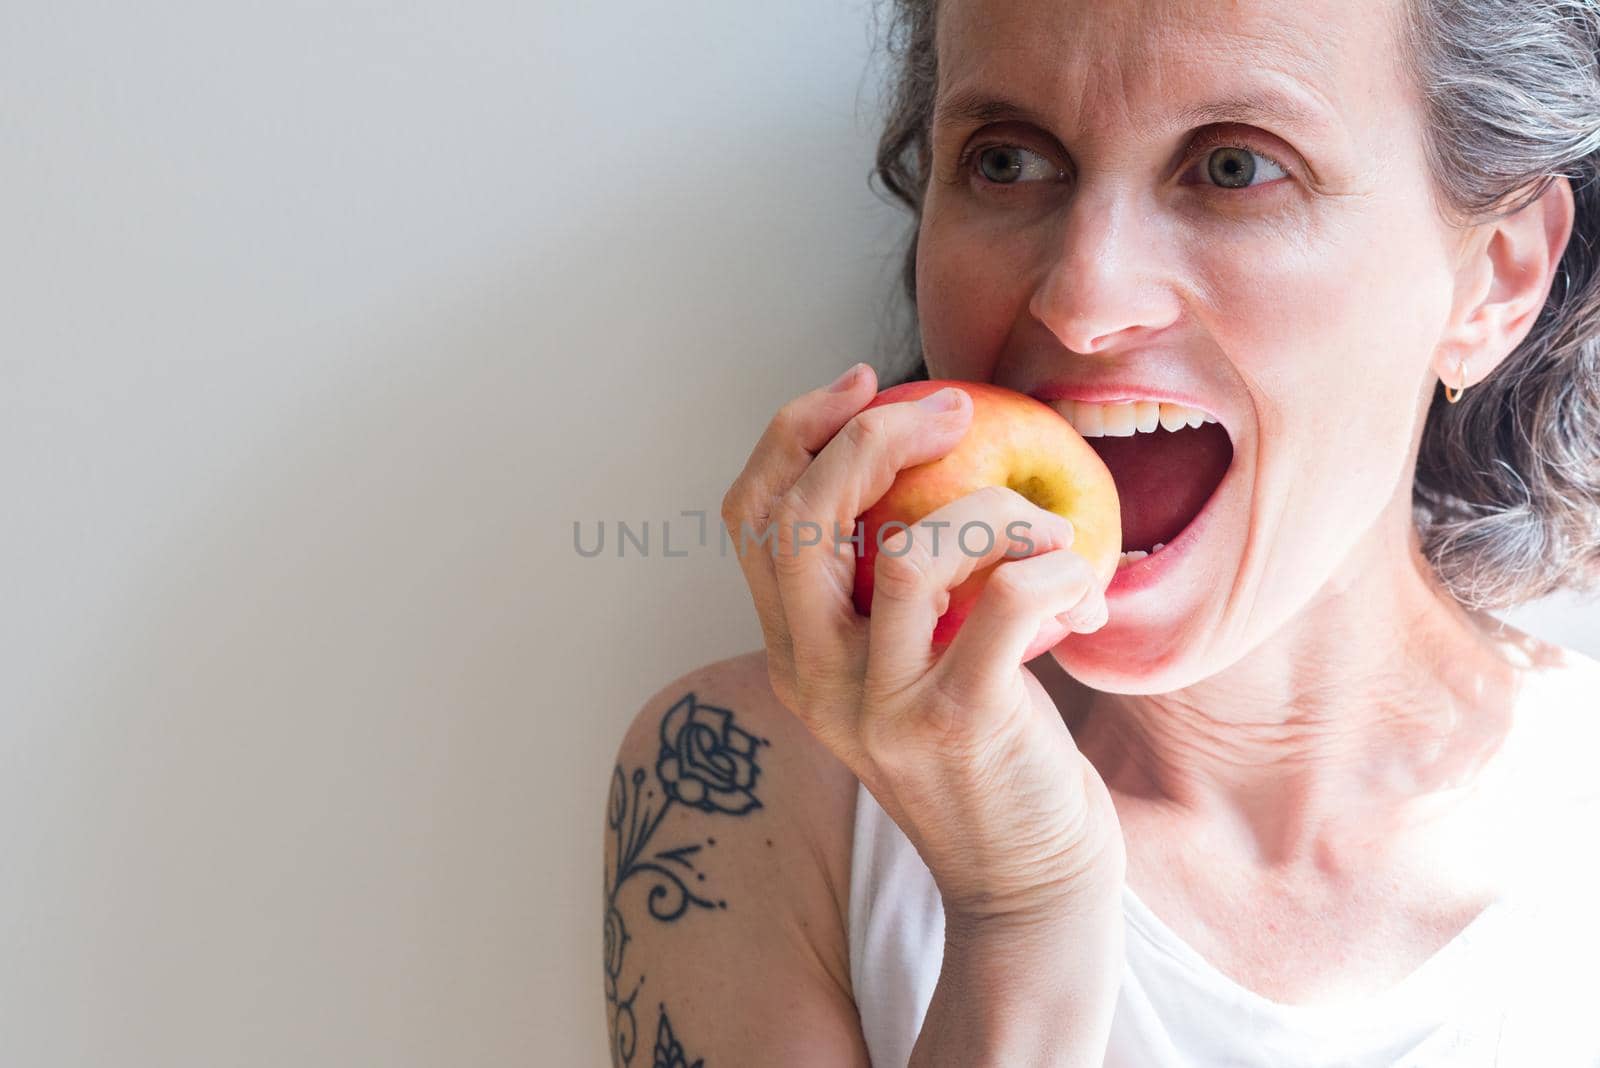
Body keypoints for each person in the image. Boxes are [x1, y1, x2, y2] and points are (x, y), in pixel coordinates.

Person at [601, 0, 1600, 1063]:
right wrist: (1018, 913)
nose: (1083, 298)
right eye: (1008, 162)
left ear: (1495, 278)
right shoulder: (746, 779)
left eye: (1233, 169)